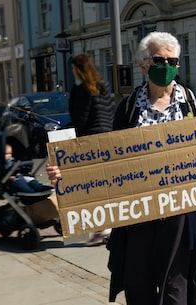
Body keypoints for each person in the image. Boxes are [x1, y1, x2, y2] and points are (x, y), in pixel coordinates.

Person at [47, 31, 196, 305]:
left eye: (174, 61)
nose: (168, 66)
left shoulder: (192, 103)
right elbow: (103, 160)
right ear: (143, 64)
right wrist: (68, 174)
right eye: (160, 60)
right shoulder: (129, 108)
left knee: (176, 291)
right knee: (139, 288)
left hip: (182, 217)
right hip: (137, 217)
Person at [69, 53, 116, 244]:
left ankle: (102, 229)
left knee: (92, 187)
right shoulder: (103, 86)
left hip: (89, 142)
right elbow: (110, 112)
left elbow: (80, 120)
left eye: (73, 69)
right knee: (105, 186)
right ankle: (108, 227)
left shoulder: (81, 90)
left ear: (78, 69)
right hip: (107, 140)